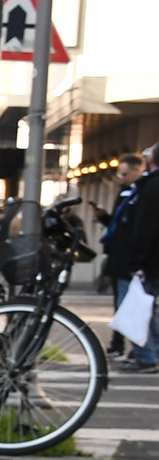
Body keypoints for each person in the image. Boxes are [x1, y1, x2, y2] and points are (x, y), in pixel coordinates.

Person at [100, 149, 158, 369]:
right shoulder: (136, 191)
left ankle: (146, 356)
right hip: (138, 259)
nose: (122, 179)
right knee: (145, 308)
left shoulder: (148, 189)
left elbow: (144, 228)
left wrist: (135, 261)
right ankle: (147, 353)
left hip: (140, 260)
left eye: (124, 174)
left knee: (139, 309)